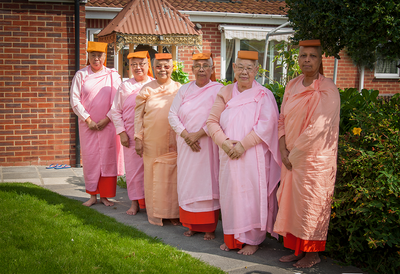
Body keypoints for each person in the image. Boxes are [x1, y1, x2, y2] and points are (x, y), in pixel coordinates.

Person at [273, 39, 340, 268]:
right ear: (298, 59)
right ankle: (297, 249)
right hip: (290, 157)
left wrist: (293, 155)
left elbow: (318, 128)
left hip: (314, 161)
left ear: (320, 59)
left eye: (312, 56)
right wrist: (282, 148)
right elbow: (281, 119)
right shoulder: (292, 85)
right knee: (292, 204)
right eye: (303, 56)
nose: (307, 60)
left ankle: (312, 253)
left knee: (310, 204)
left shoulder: (328, 88)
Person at [207, 51, 281, 255]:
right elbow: (211, 121)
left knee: (251, 196)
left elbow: (267, 125)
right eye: (240, 67)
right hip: (228, 154)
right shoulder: (225, 92)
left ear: (257, 70)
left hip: (252, 156)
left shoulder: (263, 95)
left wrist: (243, 145)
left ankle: (253, 240)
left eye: (249, 68)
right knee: (231, 195)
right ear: (233, 68)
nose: (244, 72)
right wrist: (224, 143)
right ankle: (232, 238)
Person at [168, 52, 223, 240]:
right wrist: (187, 136)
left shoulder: (218, 89)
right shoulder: (184, 90)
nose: (201, 69)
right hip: (186, 145)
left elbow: (220, 116)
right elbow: (172, 115)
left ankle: (208, 227)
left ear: (212, 69)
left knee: (207, 182)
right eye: (198, 66)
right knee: (188, 182)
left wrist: (198, 134)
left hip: (207, 144)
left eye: (205, 65)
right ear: (191, 69)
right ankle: (191, 224)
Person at [70, 41, 123, 207]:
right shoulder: (81, 75)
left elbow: (118, 100)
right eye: (93, 55)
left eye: (99, 55)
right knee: (91, 158)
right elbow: (74, 99)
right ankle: (92, 195)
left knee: (108, 158)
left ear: (105, 56)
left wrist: (107, 118)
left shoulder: (112, 75)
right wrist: (88, 119)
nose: (96, 58)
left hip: (108, 124)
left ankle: (105, 196)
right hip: (88, 126)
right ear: (88, 56)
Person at [134, 53, 182, 226]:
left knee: (172, 176)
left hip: (174, 140)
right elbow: (138, 116)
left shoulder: (179, 87)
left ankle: (174, 214)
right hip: (151, 141)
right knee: (153, 177)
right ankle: (156, 214)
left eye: (166, 66)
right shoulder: (146, 89)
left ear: (172, 67)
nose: (163, 70)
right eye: (159, 66)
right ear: (153, 68)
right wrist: (138, 137)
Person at [110, 51, 154, 215]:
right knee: (134, 170)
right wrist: (121, 132)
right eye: (134, 64)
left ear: (148, 65)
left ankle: (151, 203)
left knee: (151, 170)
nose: (138, 67)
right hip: (130, 133)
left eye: (142, 63)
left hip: (152, 134)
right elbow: (115, 111)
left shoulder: (154, 84)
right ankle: (135, 202)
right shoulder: (125, 86)